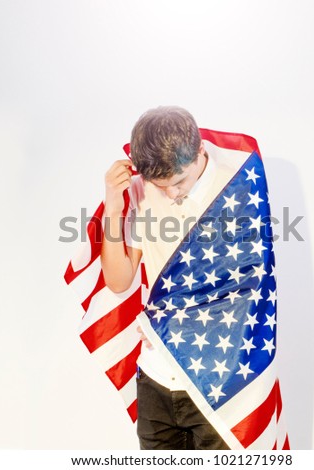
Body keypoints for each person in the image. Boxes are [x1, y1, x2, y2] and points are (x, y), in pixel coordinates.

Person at [101, 106, 236, 450]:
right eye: (160, 185)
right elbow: (119, 280)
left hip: (217, 377)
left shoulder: (236, 187)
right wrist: (114, 209)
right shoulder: (141, 190)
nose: (172, 194)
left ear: (200, 151)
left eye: (179, 182)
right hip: (157, 378)